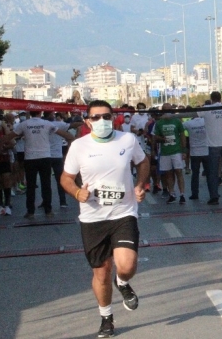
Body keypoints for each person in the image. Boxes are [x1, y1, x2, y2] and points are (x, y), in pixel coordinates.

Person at [60, 100, 149, 338]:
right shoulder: (79, 146)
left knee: (126, 265)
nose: (102, 121)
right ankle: (106, 318)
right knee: (101, 272)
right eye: (96, 117)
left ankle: (122, 282)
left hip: (123, 213)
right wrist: (77, 193)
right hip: (93, 218)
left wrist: (140, 184)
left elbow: (143, 161)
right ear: (87, 121)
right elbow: (66, 178)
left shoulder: (127, 140)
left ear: (113, 118)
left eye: (106, 116)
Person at [0, 110, 72, 218]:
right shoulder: (47, 123)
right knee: (46, 185)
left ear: (30, 113)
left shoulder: (24, 124)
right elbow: (63, 133)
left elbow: (9, 136)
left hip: (30, 158)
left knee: (31, 186)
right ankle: (48, 211)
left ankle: (30, 212)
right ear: (40, 113)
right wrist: (74, 139)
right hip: (45, 157)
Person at [152, 104, 186, 205]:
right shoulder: (159, 123)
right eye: (165, 110)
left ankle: (182, 195)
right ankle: (172, 194)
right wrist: (162, 139)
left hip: (176, 151)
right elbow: (155, 136)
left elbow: (182, 135)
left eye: (169, 110)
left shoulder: (177, 121)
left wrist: (184, 150)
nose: (167, 112)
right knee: (168, 174)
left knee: (179, 172)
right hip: (165, 152)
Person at [183, 114, 210, 200]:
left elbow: (179, 128)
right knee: (210, 174)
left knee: (195, 174)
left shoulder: (188, 123)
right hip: (206, 150)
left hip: (195, 152)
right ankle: (213, 193)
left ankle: (195, 193)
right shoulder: (206, 121)